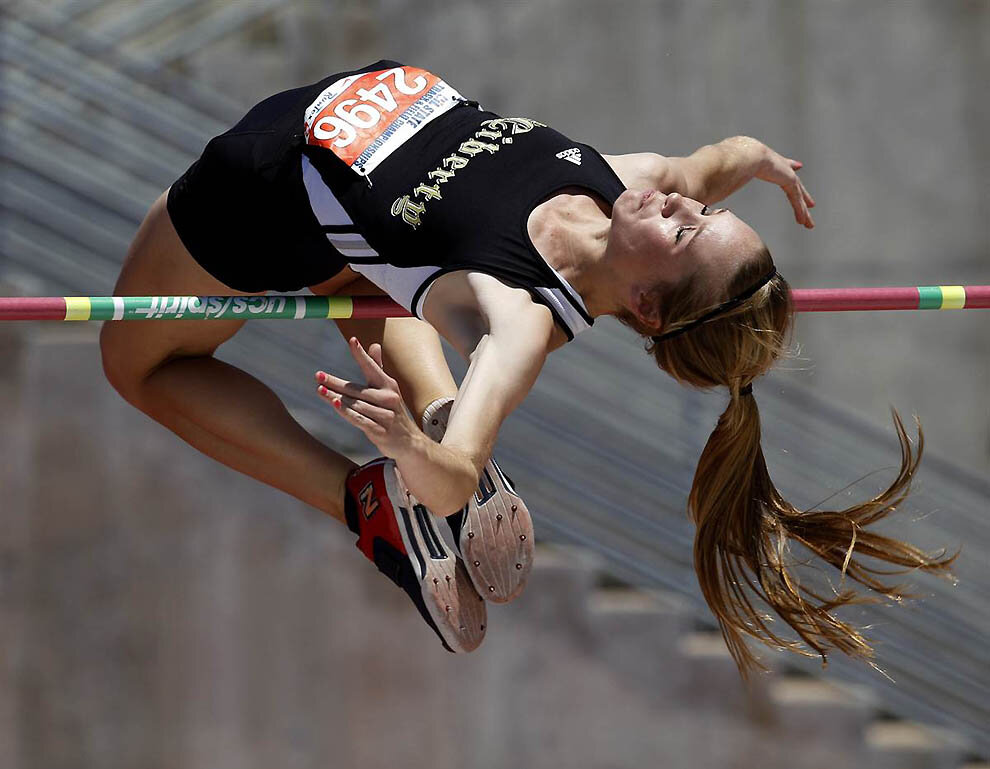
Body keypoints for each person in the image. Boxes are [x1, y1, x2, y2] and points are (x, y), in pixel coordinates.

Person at [100, 60, 953, 668]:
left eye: (687, 227)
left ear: (647, 307)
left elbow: (455, 477)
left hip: (264, 186)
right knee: (389, 278)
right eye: (700, 210)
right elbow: (715, 162)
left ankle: (360, 498)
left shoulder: (517, 316)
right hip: (353, 137)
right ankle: (434, 402)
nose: (682, 201)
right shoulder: (632, 183)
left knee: (135, 363)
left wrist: (411, 454)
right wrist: (762, 160)